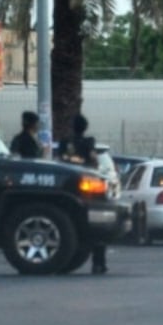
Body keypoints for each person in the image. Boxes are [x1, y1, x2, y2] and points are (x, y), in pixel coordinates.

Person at [58, 114, 109, 275]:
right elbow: (94, 162)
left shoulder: (65, 143)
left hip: (67, 188)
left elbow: (59, 161)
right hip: (87, 190)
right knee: (97, 230)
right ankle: (98, 264)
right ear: (85, 128)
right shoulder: (89, 143)